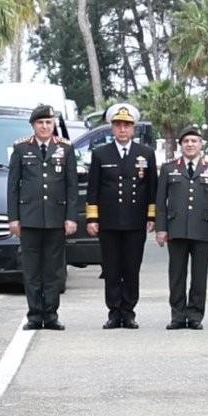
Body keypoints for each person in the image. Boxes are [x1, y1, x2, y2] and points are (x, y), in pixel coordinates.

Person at [83, 99, 158, 327]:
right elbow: (93, 189)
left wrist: (151, 216)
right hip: (109, 222)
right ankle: (114, 312)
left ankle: (129, 311)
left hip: (135, 222)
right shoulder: (101, 154)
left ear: (133, 128)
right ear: (112, 128)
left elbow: (152, 187)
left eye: (127, 125)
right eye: (118, 125)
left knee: (132, 268)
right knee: (111, 268)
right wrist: (92, 218)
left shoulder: (145, 153)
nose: (122, 129)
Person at [6, 105, 80, 329]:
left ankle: (51, 315)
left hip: (56, 219)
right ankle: (34, 316)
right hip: (29, 219)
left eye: (49, 122)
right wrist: (13, 218)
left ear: (53, 125)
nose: (45, 126)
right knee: (31, 271)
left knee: (53, 271)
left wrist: (71, 217)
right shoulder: (21, 149)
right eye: (41, 123)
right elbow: (13, 187)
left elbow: (72, 186)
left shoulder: (65, 149)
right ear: (33, 125)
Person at [157, 128, 208, 328]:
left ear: (200, 144)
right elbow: (161, 201)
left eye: (194, 140)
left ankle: (195, 315)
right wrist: (161, 229)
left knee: (199, 276)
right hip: (176, 229)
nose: (190, 144)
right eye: (186, 140)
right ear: (181, 144)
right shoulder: (169, 169)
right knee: (176, 275)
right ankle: (177, 315)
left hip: (202, 230)